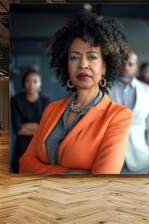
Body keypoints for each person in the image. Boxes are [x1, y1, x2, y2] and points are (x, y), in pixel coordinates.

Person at [19, 13, 133, 174]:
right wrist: (68, 174)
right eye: (74, 58)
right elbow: (24, 163)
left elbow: (103, 180)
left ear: (105, 67)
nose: (83, 64)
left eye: (92, 57)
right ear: (66, 65)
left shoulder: (118, 116)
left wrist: (43, 171)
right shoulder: (52, 109)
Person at [109, 51, 149, 174]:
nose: (126, 67)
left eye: (130, 64)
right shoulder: (106, 90)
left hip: (141, 158)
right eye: (123, 62)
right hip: (111, 157)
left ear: (136, 68)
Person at [11, 68, 50, 173]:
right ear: (24, 83)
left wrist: (26, 126)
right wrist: (38, 127)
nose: (31, 85)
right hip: (22, 146)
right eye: (28, 81)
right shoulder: (16, 100)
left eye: (35, 81)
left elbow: (46, 127)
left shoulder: (46, 101)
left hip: (40, 146)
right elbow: (17, 128)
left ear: (40, 84)